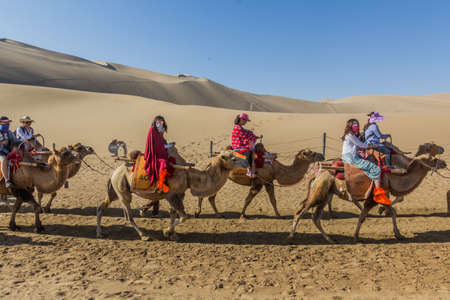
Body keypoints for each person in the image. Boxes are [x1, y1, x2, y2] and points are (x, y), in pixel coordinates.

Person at [341, 119, 391, 205]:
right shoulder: (350, 135)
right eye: (354, 125)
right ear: (350, 126)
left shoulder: (350, 135)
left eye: (357, 124)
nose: (356, 126)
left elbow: (358, 145)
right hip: (351, 158)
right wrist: (374, 145)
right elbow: (361, 145)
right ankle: (378, 195)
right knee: (376, 169)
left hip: (351, 155)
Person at [143, 115, 172, 193]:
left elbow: (160, 143)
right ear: (155, 122)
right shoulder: (152, 130)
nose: (159, 123)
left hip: (160, 152)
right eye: (158, 122)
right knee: (164, 163)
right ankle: (160, 184)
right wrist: (167, 146)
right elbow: (156, 145)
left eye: (161, 122)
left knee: (172, 160)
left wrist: (168, 145)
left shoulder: (160, 131)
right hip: (153, 154)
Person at [231, 113, 261, 178]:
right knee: (250, 153)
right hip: (238, 147)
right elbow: (244, 138)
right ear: (241, 120)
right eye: (245, 120)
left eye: (246, 121)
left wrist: (252, 135)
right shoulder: (238, 128)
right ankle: (250, 171)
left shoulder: (240, 127)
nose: (245, 122)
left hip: (240, 145)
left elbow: (246, 132)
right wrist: (253, 138)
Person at [0, 116, 19, 188]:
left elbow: (16, 141)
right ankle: (6, 180)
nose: (7, 125)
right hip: (1, 152)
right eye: (5, 123)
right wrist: (1, 143)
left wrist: (15, 147)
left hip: (8, 151)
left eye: (8, 123)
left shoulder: (9, 132)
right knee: (4, 160)